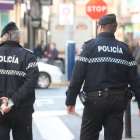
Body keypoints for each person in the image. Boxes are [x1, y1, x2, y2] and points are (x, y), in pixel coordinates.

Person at [65, 14, 140, 140]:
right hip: (118, 101)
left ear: (100, 27)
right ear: (115, 28)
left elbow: (77, 76)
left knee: (89, 136)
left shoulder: (89, 46)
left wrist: (70, 100)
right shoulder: (124, 49)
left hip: (94, 101)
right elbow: (135, 80)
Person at [0, 22, 39, 140]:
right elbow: (30, 83)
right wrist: (11, 102)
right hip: (22, 111)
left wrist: (2, 102)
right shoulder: (28, 56)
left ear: (2, 38)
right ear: (18, 39)